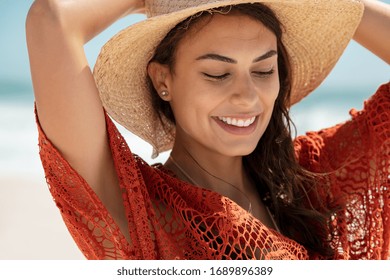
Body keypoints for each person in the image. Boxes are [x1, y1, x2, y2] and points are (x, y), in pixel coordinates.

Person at [26, 0, 390, 260]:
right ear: (162, 80)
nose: (248, 97)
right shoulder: (142, 212)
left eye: (263, 71)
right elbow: (51, 20)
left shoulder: (313, 177)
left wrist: (342, 5)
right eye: (217, 74)